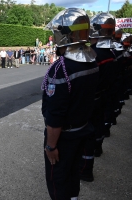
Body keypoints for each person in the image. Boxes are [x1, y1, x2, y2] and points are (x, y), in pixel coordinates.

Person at [42, 8, 99, 200]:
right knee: (74, 175)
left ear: (67, 35)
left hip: (64, 138)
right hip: (82, 130)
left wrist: (51, 146)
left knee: (58, 181)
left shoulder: (61, 69)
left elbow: (55, 114)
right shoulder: (91, 60)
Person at [79, 12, 116, 182]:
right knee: (98, 128)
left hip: (91, 100)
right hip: (105, 96)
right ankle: (97, 149)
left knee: (86, 135)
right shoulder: (111, 53)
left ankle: (86, 170)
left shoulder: (93, 54)